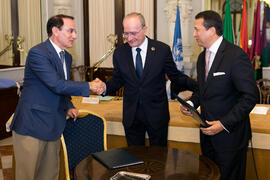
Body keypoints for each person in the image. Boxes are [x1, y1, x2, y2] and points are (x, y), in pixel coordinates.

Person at [10, 14, 104, 180]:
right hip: (33, 126)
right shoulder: (38, 53)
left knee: (49, 175)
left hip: (53, 126)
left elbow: (62, 87)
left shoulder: (66, 56)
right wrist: (89, 85)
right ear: (55, 31)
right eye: (71, 31)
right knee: (27, 176)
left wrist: (68, 105)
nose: (75, 36)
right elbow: (56, 84)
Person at [180, 10, 258, 180]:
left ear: (212, 30)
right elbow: (202, 91)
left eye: (197, 29)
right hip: (207, 135)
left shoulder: (236, 56)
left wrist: (223, 124)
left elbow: (250, 96)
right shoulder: (202, 58)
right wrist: (191, 104)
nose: (194, 34)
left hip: (230, 138)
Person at [104, 12, 197, 147]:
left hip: (157, 115)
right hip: (132, 116)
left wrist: (199, 87)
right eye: (126, 33)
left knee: (159, 159)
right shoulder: (120, 53)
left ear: (145, 29)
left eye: (134, 33)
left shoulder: (161, 50)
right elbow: (117, 80)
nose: (129, 38)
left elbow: (175, 76)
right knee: (134, 159)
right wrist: (103, 88)